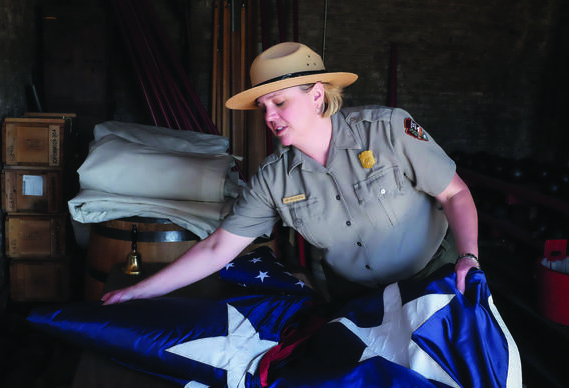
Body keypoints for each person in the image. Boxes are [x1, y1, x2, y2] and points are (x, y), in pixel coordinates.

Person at [102, 42, 479, 305]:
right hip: (358, 302)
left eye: (279, 102)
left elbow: (455, 195)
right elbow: (218, 248)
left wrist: (470, 258)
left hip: (436, 281)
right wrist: (139, 291)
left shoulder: (389, 131)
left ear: (317, 95)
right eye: (263, 107)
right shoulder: (273, 179)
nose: (268, 117)